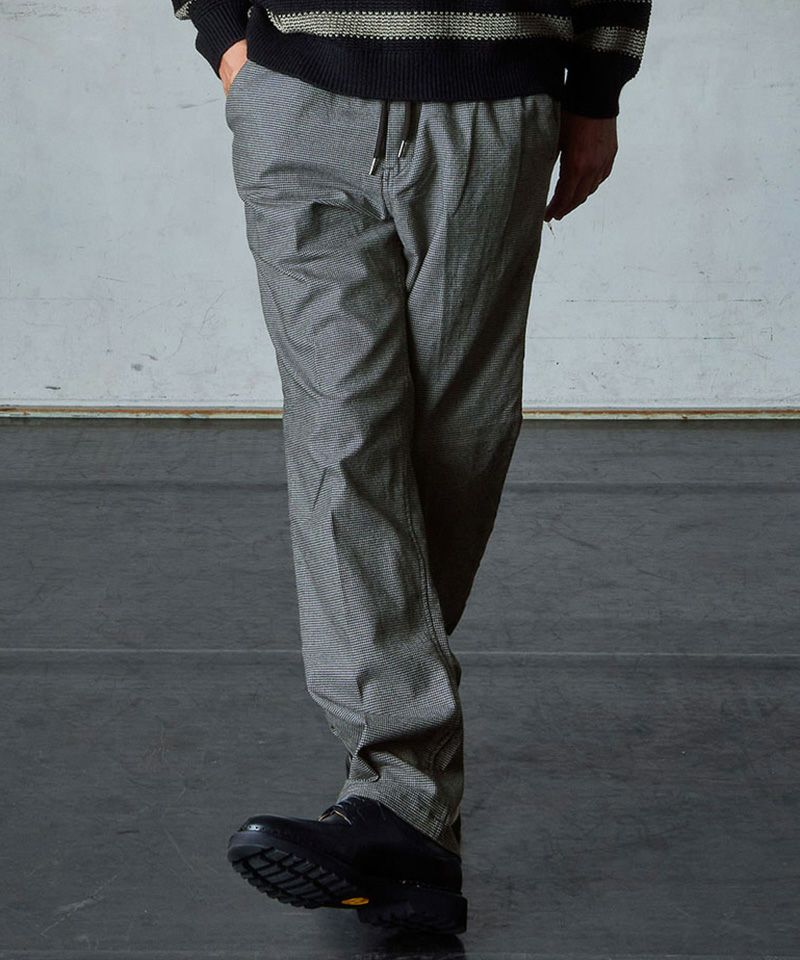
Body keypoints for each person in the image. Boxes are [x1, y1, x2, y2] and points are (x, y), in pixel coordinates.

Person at [170, 0, 652, 935]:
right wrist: (228, 38)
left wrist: (598, 88)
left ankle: (405, 831)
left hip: (494, 105)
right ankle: (399, 795)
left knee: (455, 443)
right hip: (300, 97)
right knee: (342, 438)